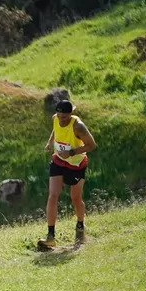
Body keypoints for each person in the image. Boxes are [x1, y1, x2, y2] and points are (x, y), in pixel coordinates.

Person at [41, 99, 97, 248]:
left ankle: (80, 225)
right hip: (58, 160)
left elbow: (91, 145)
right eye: (59, 116)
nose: (61, 119)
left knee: (75, 197)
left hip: (76, 164)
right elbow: (55, 129)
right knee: (53, 195)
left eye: (64, 117)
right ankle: (50, 236)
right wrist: (49, 142)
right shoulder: (56, 119)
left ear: (71, 114)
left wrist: (71, 152)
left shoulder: (78, 126)